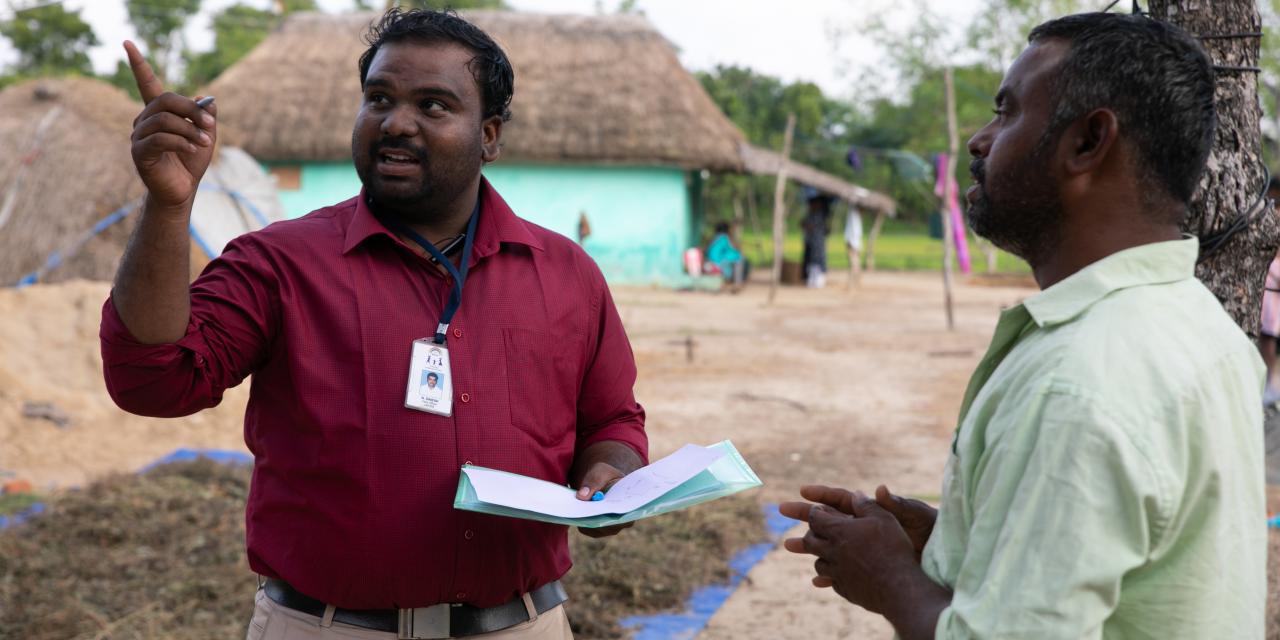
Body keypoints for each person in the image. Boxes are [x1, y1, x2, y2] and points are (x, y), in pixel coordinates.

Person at [103, 8, 647, 639]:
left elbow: (612, 423)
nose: (396, 122)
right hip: (324, 627)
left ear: (490, 135)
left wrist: (615, 476)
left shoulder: (566, 273)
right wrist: (169, 206)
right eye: (379, 98)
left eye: (434, 105)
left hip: (525, 625)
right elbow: (153, 381)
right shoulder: (279, 262)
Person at [780, 12, 1264, 639]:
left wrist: (891, 580)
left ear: (1088, 143)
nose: (980, 141)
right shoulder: (1196, 321)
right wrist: (958, 540)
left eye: (1006, 113)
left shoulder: (1079, 382)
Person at [1259, 176, 1280, 404]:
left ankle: (1270, 384)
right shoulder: (1267, 215)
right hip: (1267, 286)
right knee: (1264, 337)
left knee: (1269, 338)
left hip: (1273, 288)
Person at [801, 193, 832, 288]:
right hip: (812, 241)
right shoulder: (812, 214)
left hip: (818, 242)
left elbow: (811, 226)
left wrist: (807, 225)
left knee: (818, 260)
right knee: (812, 261)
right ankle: (812, 280)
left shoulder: (820, 215)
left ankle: (818, 280)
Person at [705, 222, 749, 289]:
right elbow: (732, 250)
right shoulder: (724, 238)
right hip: (717, 262)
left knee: (734, 259)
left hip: (710, 262)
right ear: (727, 230)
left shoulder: (714, 238)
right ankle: (737, 283)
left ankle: (732, 281)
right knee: (739, 258)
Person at [844, 206, 863, 289]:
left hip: (853, 241)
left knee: (853, 262)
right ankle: (856, 281)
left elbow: (853, 230)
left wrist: (850, 242)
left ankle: (852, 283)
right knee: (856, 261)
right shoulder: (856, 215)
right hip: (855, 241)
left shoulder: (854, 214)